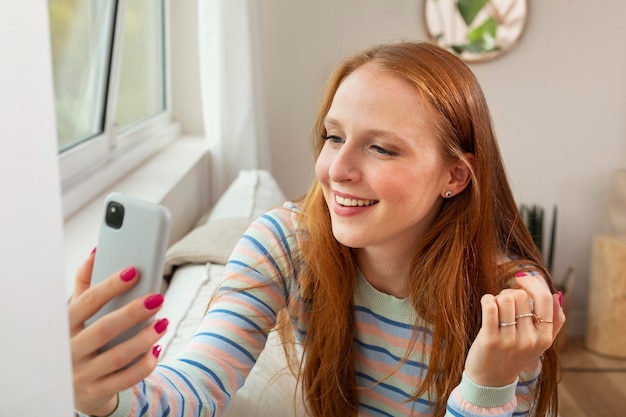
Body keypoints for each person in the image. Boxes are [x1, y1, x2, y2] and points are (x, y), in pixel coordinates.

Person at [69, 41, 566, 417]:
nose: (336, 169)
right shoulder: (284, 244)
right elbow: (198, 382)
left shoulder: (507, 301)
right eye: (334, 136)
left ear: (454, 176)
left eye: (382, 148)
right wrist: (106, 396)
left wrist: (487, 383)